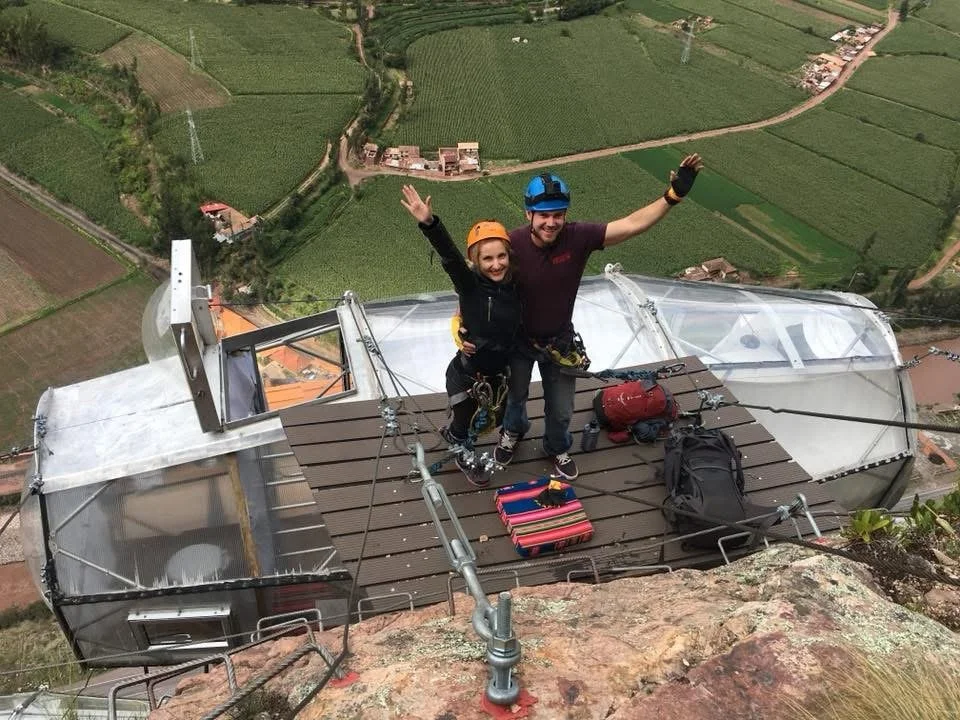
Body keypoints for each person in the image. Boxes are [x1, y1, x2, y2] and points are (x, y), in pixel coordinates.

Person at [462, 154, 704, 480]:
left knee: (561, 409)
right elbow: (474, 281)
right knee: (515, 398)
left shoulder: (579, 238)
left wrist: (672, 197)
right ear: (528, 214)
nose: (551, 223)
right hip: (518, 342)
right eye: (544, 215)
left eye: (558, 215)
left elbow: (631, 225)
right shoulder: (511, 244)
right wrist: (462, 324)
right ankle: (513, 433)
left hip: (560, 341)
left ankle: (556, 446)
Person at [400, 184, 522, 486]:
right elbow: (451, 257)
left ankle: (471, 435)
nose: (496, 265)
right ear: (476, 262)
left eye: (501, 257)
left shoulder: (516, 287)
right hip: (468, 374)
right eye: (487, 259)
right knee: (463, 418)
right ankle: (460, 446)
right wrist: (429, 223)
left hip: (499, 374)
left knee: (498, 414)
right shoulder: (470, 286)